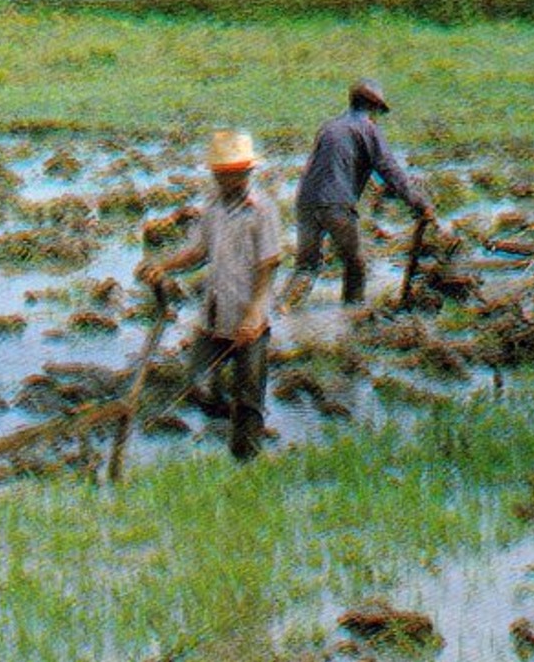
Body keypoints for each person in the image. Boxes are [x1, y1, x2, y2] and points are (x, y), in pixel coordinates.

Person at [135, 130, 281, 462]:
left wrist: (256, 314)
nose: (226, 179)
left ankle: (247, 463)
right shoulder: (212, 207)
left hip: (249, 316)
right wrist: (164, 266)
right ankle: (225, 421)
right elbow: (199, 251)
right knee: (194, 383)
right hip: (214, 314)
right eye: (221, 173)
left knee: (250, 399)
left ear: (246, 172)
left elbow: (269, 265)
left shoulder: (263, 210)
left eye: (233, 173)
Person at [282, 78, 433, 308]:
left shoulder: (329, 127)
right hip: (336, 204)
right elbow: (389, 170)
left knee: (306, 266)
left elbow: (333, 164)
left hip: (306, 201)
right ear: (373, 108)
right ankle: (352, 321)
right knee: (356, 264)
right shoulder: (368, 129)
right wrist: (420, 204)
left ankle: (282, 312)